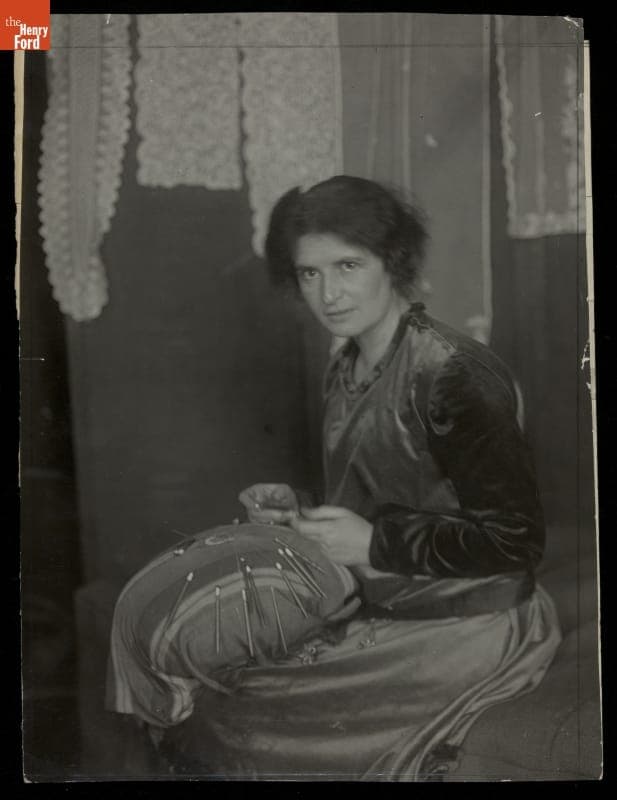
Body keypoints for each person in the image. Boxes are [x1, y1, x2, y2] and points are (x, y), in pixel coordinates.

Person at [154, 176, 562, 780]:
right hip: (389, 603)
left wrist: (371, 543)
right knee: (207, 678)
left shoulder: (453, 374)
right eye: (309, 273)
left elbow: (515, 540)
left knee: (234, 713)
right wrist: (301, 507)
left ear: (391, 262)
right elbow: (398, 489)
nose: (329, 294)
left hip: (472, 622)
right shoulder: (347, 362)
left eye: (348, 265)